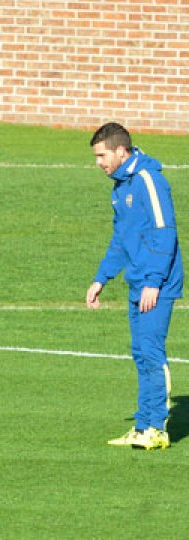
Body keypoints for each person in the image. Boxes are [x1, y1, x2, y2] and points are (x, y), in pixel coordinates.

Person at [87, 122, 183, 450]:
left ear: (121, 151)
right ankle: (143, 425)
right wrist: (102, 277)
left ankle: (157, 428)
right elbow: (120, 240)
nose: (99, 162)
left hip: (157, 283)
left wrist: (154, 283)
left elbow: (164, 232)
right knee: (140, 352)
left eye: (102, 155)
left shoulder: (148, 181)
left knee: (151, 351)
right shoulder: (120, 187)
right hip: (139, 281)